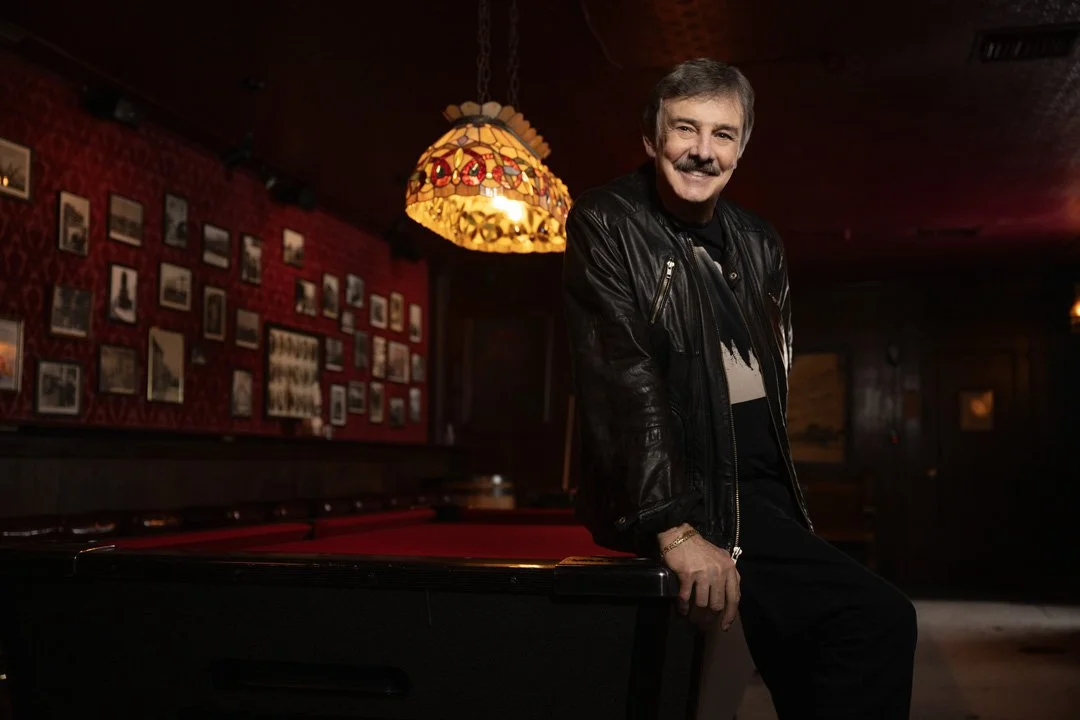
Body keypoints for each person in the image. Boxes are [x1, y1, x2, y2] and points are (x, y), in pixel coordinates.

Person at [562, 58, 917, 719]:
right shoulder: (607, 220)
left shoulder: (758, 241)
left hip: (766, 491)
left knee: (810, 666)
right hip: (691, 490)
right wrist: (674, 528)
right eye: (685, 129)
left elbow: (765, 383)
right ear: (652, 139)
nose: (703, 150)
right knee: (879, 618)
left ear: (741, 147)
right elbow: (623, 374)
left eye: (723, 134)